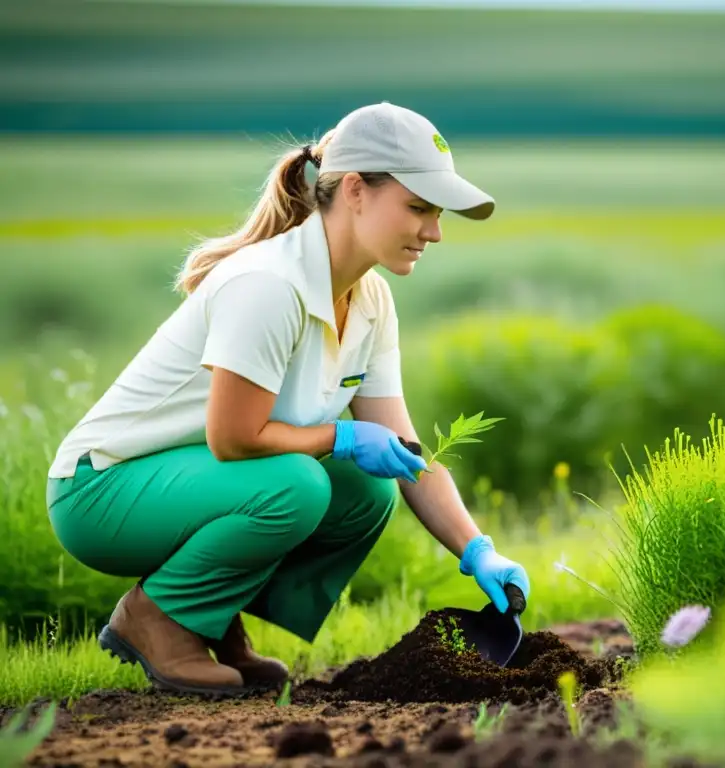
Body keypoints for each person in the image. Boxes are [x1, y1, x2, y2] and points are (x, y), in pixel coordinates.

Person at [44, 102, 531, 697]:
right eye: (419, 208)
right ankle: (159, 618)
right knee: (300, 485)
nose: (434, 231)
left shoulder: (370, 300)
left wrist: (478, 549)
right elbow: (234, 437)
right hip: (102, 491)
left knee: (368, 489)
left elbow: (407, 453)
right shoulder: (269, 286)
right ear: (355, 190)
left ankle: (213, 620)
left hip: (195, 483)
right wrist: (341, 436)